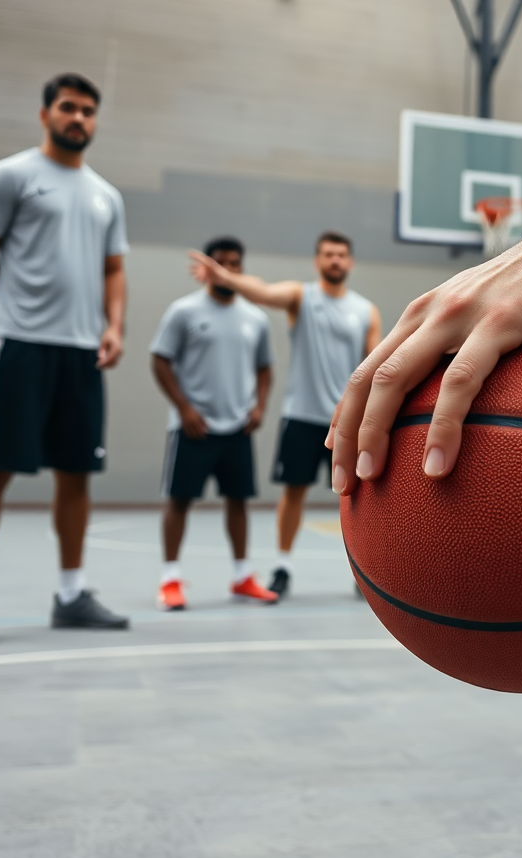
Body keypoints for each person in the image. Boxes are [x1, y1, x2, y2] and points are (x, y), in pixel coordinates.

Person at [0, 72, 130, 646]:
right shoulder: (11, 175)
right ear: (45, 114)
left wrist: (114, 326)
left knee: (76, 474)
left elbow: (113, 269)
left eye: (87, 111)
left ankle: (72, 594)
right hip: (18, 343)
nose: (78, 119)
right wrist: (16, 304)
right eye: (68, 108)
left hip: (82, 353)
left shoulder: (107, 195)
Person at [189, 231, 381, 599]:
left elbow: (376, 365)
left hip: (347, 422)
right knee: (294, 493)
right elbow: (261, 291)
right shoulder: (301, 297)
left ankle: (364, 570)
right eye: (328, 254)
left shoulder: (365, 310)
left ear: (350, 262)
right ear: (318, 261)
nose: (335, 260)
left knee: (356, 496)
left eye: (341, 254)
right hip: (302, 416)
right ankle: (282, 566)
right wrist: (227, 277)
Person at [151, 236, 277, 611]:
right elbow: (160, 361)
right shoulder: (183, 312)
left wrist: (259, 406)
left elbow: (265, 367)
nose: (227, 269)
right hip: (193, 428)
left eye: (234, 263)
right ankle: (169, 579)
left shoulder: (256, 317)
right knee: (180, 501)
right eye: (219, 262)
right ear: (205, 267)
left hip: (237, 428)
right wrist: (184, 408)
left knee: (238, 501)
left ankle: (242, 577)